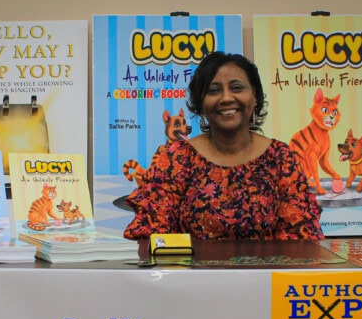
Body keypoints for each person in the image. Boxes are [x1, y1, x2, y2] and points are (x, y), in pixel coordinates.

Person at [124, 52, 323, 240]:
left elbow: (301, 239)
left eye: (237, 88)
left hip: (266, 276)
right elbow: (153, 235)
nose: (226, 98)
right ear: (201, 103)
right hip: (188, 275)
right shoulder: (177, 158)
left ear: (254, 96)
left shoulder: (280, 157)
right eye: (213, 90)